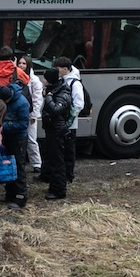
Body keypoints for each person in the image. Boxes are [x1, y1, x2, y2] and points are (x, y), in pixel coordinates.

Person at [0, 82, 30, 209]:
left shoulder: (22, 103)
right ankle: (10, 194)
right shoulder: (7, 98)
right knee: (8, 163)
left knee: (18, 166)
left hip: (18, 138)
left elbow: (23, 124)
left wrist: (5, 127)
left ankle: (20, 196)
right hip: (8, 137)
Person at [39, 68, 74, 200]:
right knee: (53, 159)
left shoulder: (62, 92)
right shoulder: (56, 89)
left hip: (57, 131)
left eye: (45, 78)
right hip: (52, 128)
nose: (43, 81)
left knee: (57, 161)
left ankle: (59, 190)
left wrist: (47, 97)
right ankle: (54, 186)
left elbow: (55, 110)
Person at [55, 56, 83, 184]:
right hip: (62, 122)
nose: (57, 71)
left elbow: (79, 104)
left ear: (65, 69)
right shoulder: (63, 80)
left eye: (58, 68)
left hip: (69, 124)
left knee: (69, 151)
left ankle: (69, 175)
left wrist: (70, 120)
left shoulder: (75, 83)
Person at [16, 52, 44, 174]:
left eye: (24, 63)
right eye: (20, 63)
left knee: (31, 139)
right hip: (18, 112)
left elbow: (38, 99)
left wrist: (34, 115)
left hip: (29, 114)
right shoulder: (16, 77)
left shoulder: (35, 81)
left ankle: (37, 163)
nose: (21, 65)